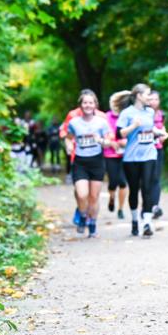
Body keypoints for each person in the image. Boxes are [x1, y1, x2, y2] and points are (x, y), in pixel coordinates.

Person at [117, 83, 168, 238]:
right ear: (139, 96)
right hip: (131, 157)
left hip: (149, 154)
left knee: (147, 187)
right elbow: (120, 134)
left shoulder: (150, 112)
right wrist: (133, 126)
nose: (150, 98)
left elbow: (149, 128)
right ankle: (134, 220)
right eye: (147, 94)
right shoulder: (127, 113)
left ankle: (146, 222)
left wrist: (159, 133)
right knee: (134, 190)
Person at [67, 91, 113, 238]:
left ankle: (92, 223)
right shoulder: (74, 123)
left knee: (94, 197)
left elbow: (108, 144)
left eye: (90, 103)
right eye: (85, 103)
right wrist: (68, 146)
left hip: (97, 162)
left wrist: (100, 140)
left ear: (95, 105)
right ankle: (82, 215)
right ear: (81, 105)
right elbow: (68, 138)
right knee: (82, 195)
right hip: (80, 162)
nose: (88, 105)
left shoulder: (101, 123)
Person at [104, 92, 129, 220]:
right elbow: (104, 134)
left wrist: (126, 141)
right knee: (113, 182)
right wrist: (112, 142)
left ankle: (120, 209)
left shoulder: (127, 116)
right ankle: (112, 197)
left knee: (123, 182)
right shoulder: (106, 117)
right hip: (110, 155)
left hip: (126, 155)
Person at [147, 89, 166, 220]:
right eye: (151, 99)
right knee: (146, 180)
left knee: (156, 179)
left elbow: (163, 130)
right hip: (145, 151)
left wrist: (163, 135)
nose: (153, 102)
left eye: (156, 99)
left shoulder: (161, 114)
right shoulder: (142, 114)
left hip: (158, 149)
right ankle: (147, 206)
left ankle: (155, 206)